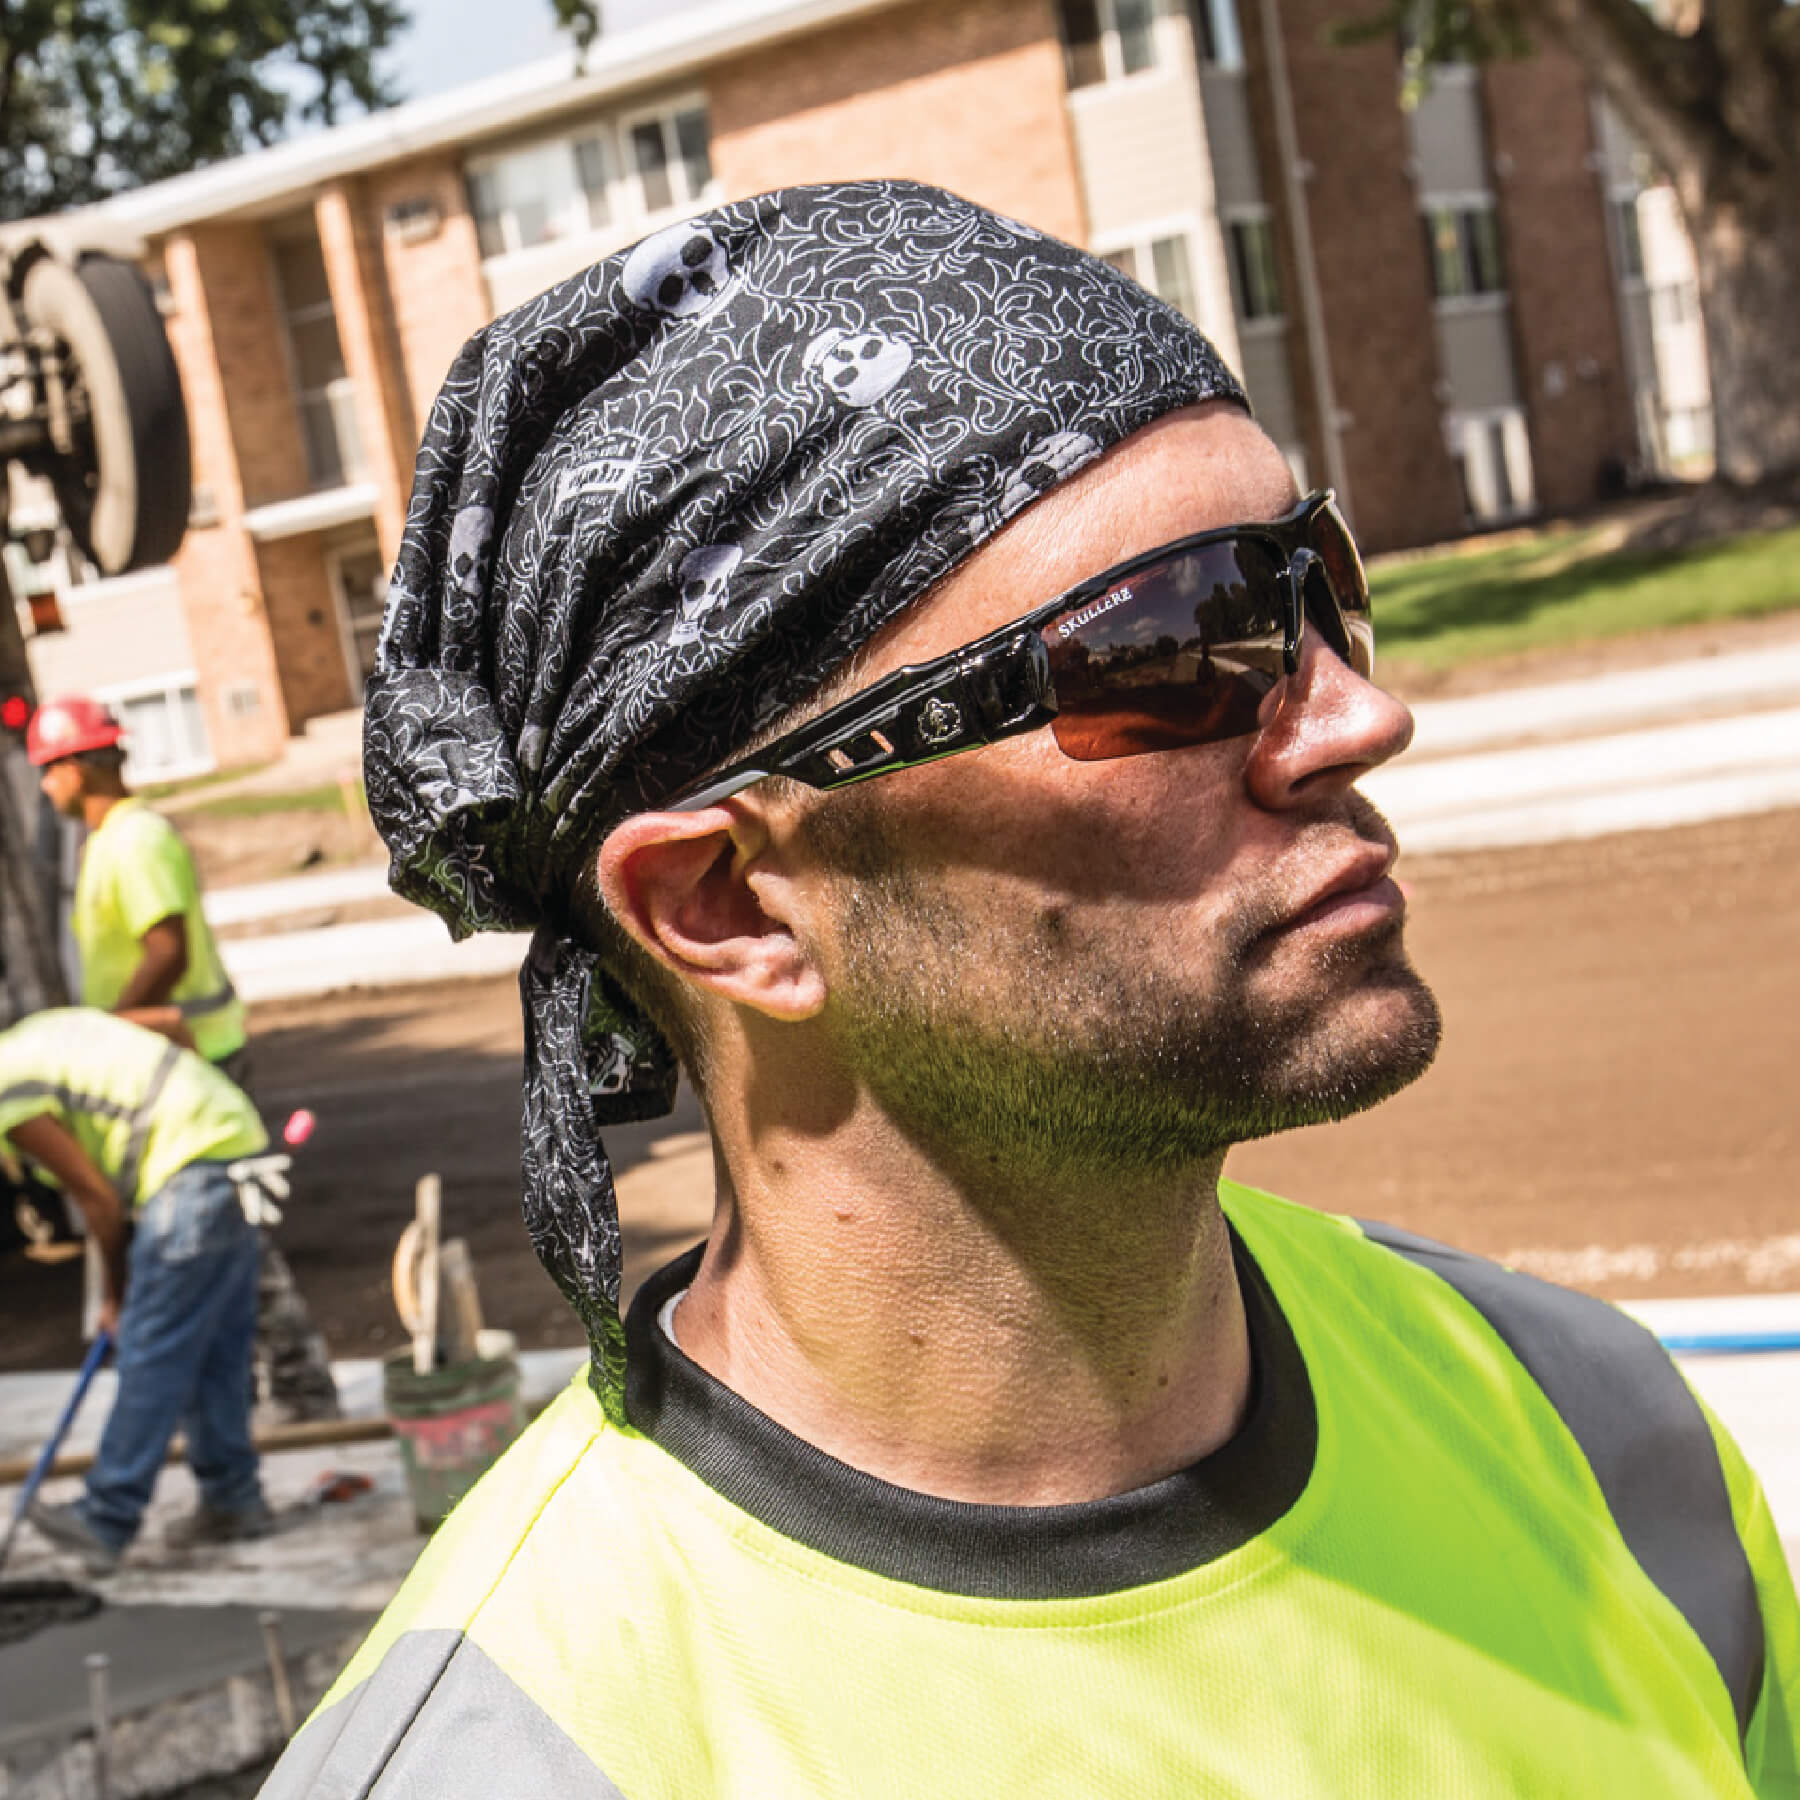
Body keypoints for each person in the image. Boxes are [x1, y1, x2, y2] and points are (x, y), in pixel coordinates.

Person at [262, 184, 1798, 1796]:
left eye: (1313, 581)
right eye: (1169, 648)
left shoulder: (1589, 1429)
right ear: (728, 904)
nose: (1353, 716)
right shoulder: (527, 1755)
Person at [28, 694, 339, 1422]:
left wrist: (109, 1034)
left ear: (80, 765)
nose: (45, 786)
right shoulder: (108, 841)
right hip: (170, 1060)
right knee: (207, 1232)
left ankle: (300, 1388)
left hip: (196, 1059)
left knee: (230, 1229)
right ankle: (257, 1389)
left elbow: (165, 948)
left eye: (50, 769)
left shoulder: (135, 841)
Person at [2, 1008, 274, 1571]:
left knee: (153, 1350)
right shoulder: (35, 1037)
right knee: (214, 1346)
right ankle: (233, 1498)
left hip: (192, 1167)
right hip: (234, 1139)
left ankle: (106, 1516)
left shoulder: (7, 1091)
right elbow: (173, 1022)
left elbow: (96, 1200)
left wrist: (116, 1295)